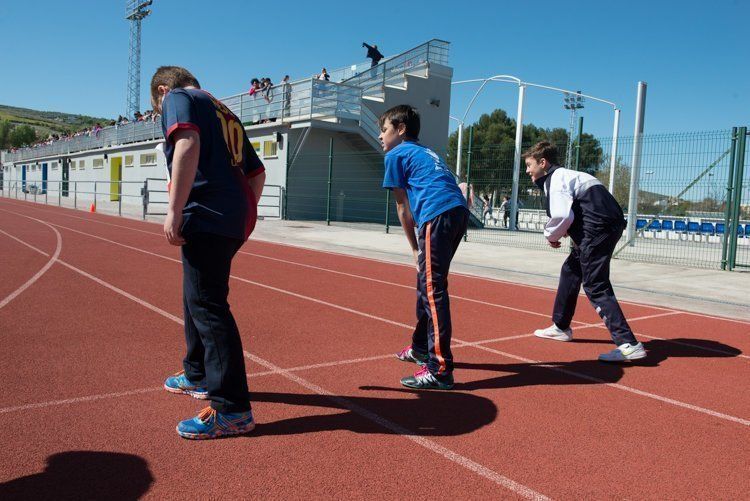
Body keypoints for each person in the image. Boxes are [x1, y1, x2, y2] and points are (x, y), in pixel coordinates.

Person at [152, 65, 266, 439]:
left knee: (208, 304)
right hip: (231, 215)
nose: (161, 117)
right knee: (196, 295)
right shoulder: (224, 110)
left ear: (163, 90)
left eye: (157, 111)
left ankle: (231, 407)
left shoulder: (179, 98)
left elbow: (186, 143)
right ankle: (197, 372)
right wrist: (241, 214)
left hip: (207, 212)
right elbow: (257, 173)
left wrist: (173, 209)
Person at [524, 141, 646, 362]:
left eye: (529, 165)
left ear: (543, 162)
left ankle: (628, 343)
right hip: (607, 225)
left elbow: (562, 216)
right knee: (571, 270)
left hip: (597, 230)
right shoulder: (571, 175)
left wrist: (550, 236)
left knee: (595, 285)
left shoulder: (556, 179)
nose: (527, 171)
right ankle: (560, 326)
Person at [380, 104, 469, 390]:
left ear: (401, 129)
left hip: (437, 214)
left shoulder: (396, 154)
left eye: (384, 130)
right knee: (428, 283)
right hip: (457, 212)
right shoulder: (425, 151)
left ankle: (440, 369)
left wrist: (414, 248)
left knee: (433, 290)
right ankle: (420, 346)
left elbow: (402, 207)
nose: (381, 136)